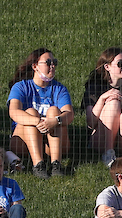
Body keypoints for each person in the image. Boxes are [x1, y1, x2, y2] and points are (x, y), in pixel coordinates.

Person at [8, 48, 74, 178]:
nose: (52, 66)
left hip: (52, 143)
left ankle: (56, 164)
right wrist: (37, 121)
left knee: (54, 111)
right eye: (48, 62)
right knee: (31, 112)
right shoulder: (21, 86)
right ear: (35, 66)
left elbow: (69, 114)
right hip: (23, 143)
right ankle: (38, 165)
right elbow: (13, 112)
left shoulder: (59, 88)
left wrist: (55, 121)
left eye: (54, 62)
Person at [82, 47, 122, 167]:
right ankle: (108, 153)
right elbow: (91, 123)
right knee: (114, 103)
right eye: (120, 63)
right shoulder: (94, 88)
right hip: (100, 139)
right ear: (107, 67)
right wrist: (102, 99)